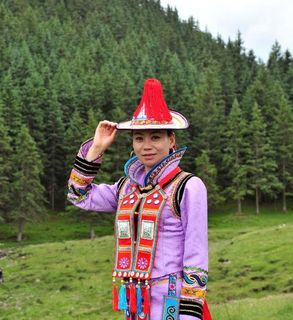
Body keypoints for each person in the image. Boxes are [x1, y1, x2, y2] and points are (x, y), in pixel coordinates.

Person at [67, 79, 211, 320]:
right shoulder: (126, 188)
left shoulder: (188, 187)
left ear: (171, 141)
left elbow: (196, 255)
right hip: (135, 303)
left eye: (155, 137)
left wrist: (189, 313)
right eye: (139, 139)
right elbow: (78, 195)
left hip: (173, 300)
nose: (147, 146)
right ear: (132, 144)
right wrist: (96, 149)